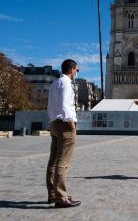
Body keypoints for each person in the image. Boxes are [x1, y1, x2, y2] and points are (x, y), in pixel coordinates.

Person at [46, 59, 81, 208]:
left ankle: (53, 194)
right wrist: (72, 125)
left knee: (53, 161)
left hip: (54, 123)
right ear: (72, 69)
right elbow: (65, 106)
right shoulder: (66, 83)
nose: (77, 73)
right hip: (65, 125)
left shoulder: (55, 83)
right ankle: (61, 197)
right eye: (77, 70)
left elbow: (51, 106)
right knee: (62, 162)